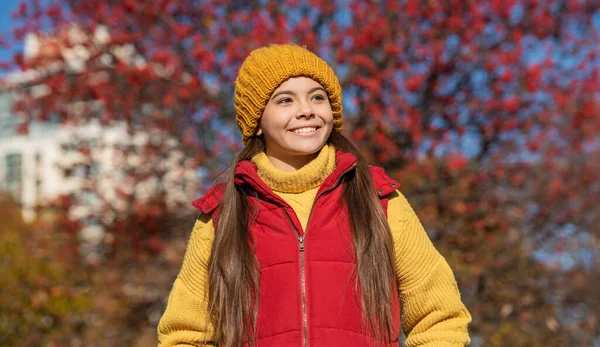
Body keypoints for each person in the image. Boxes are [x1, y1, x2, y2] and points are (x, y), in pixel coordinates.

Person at [157, 44, 471, 347]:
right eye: (285, 101)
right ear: (256, 123)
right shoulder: (222, 214)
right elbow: (186, 334)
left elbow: (439, 315)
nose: (306, 110)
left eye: (317, 97)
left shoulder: (378, 199)